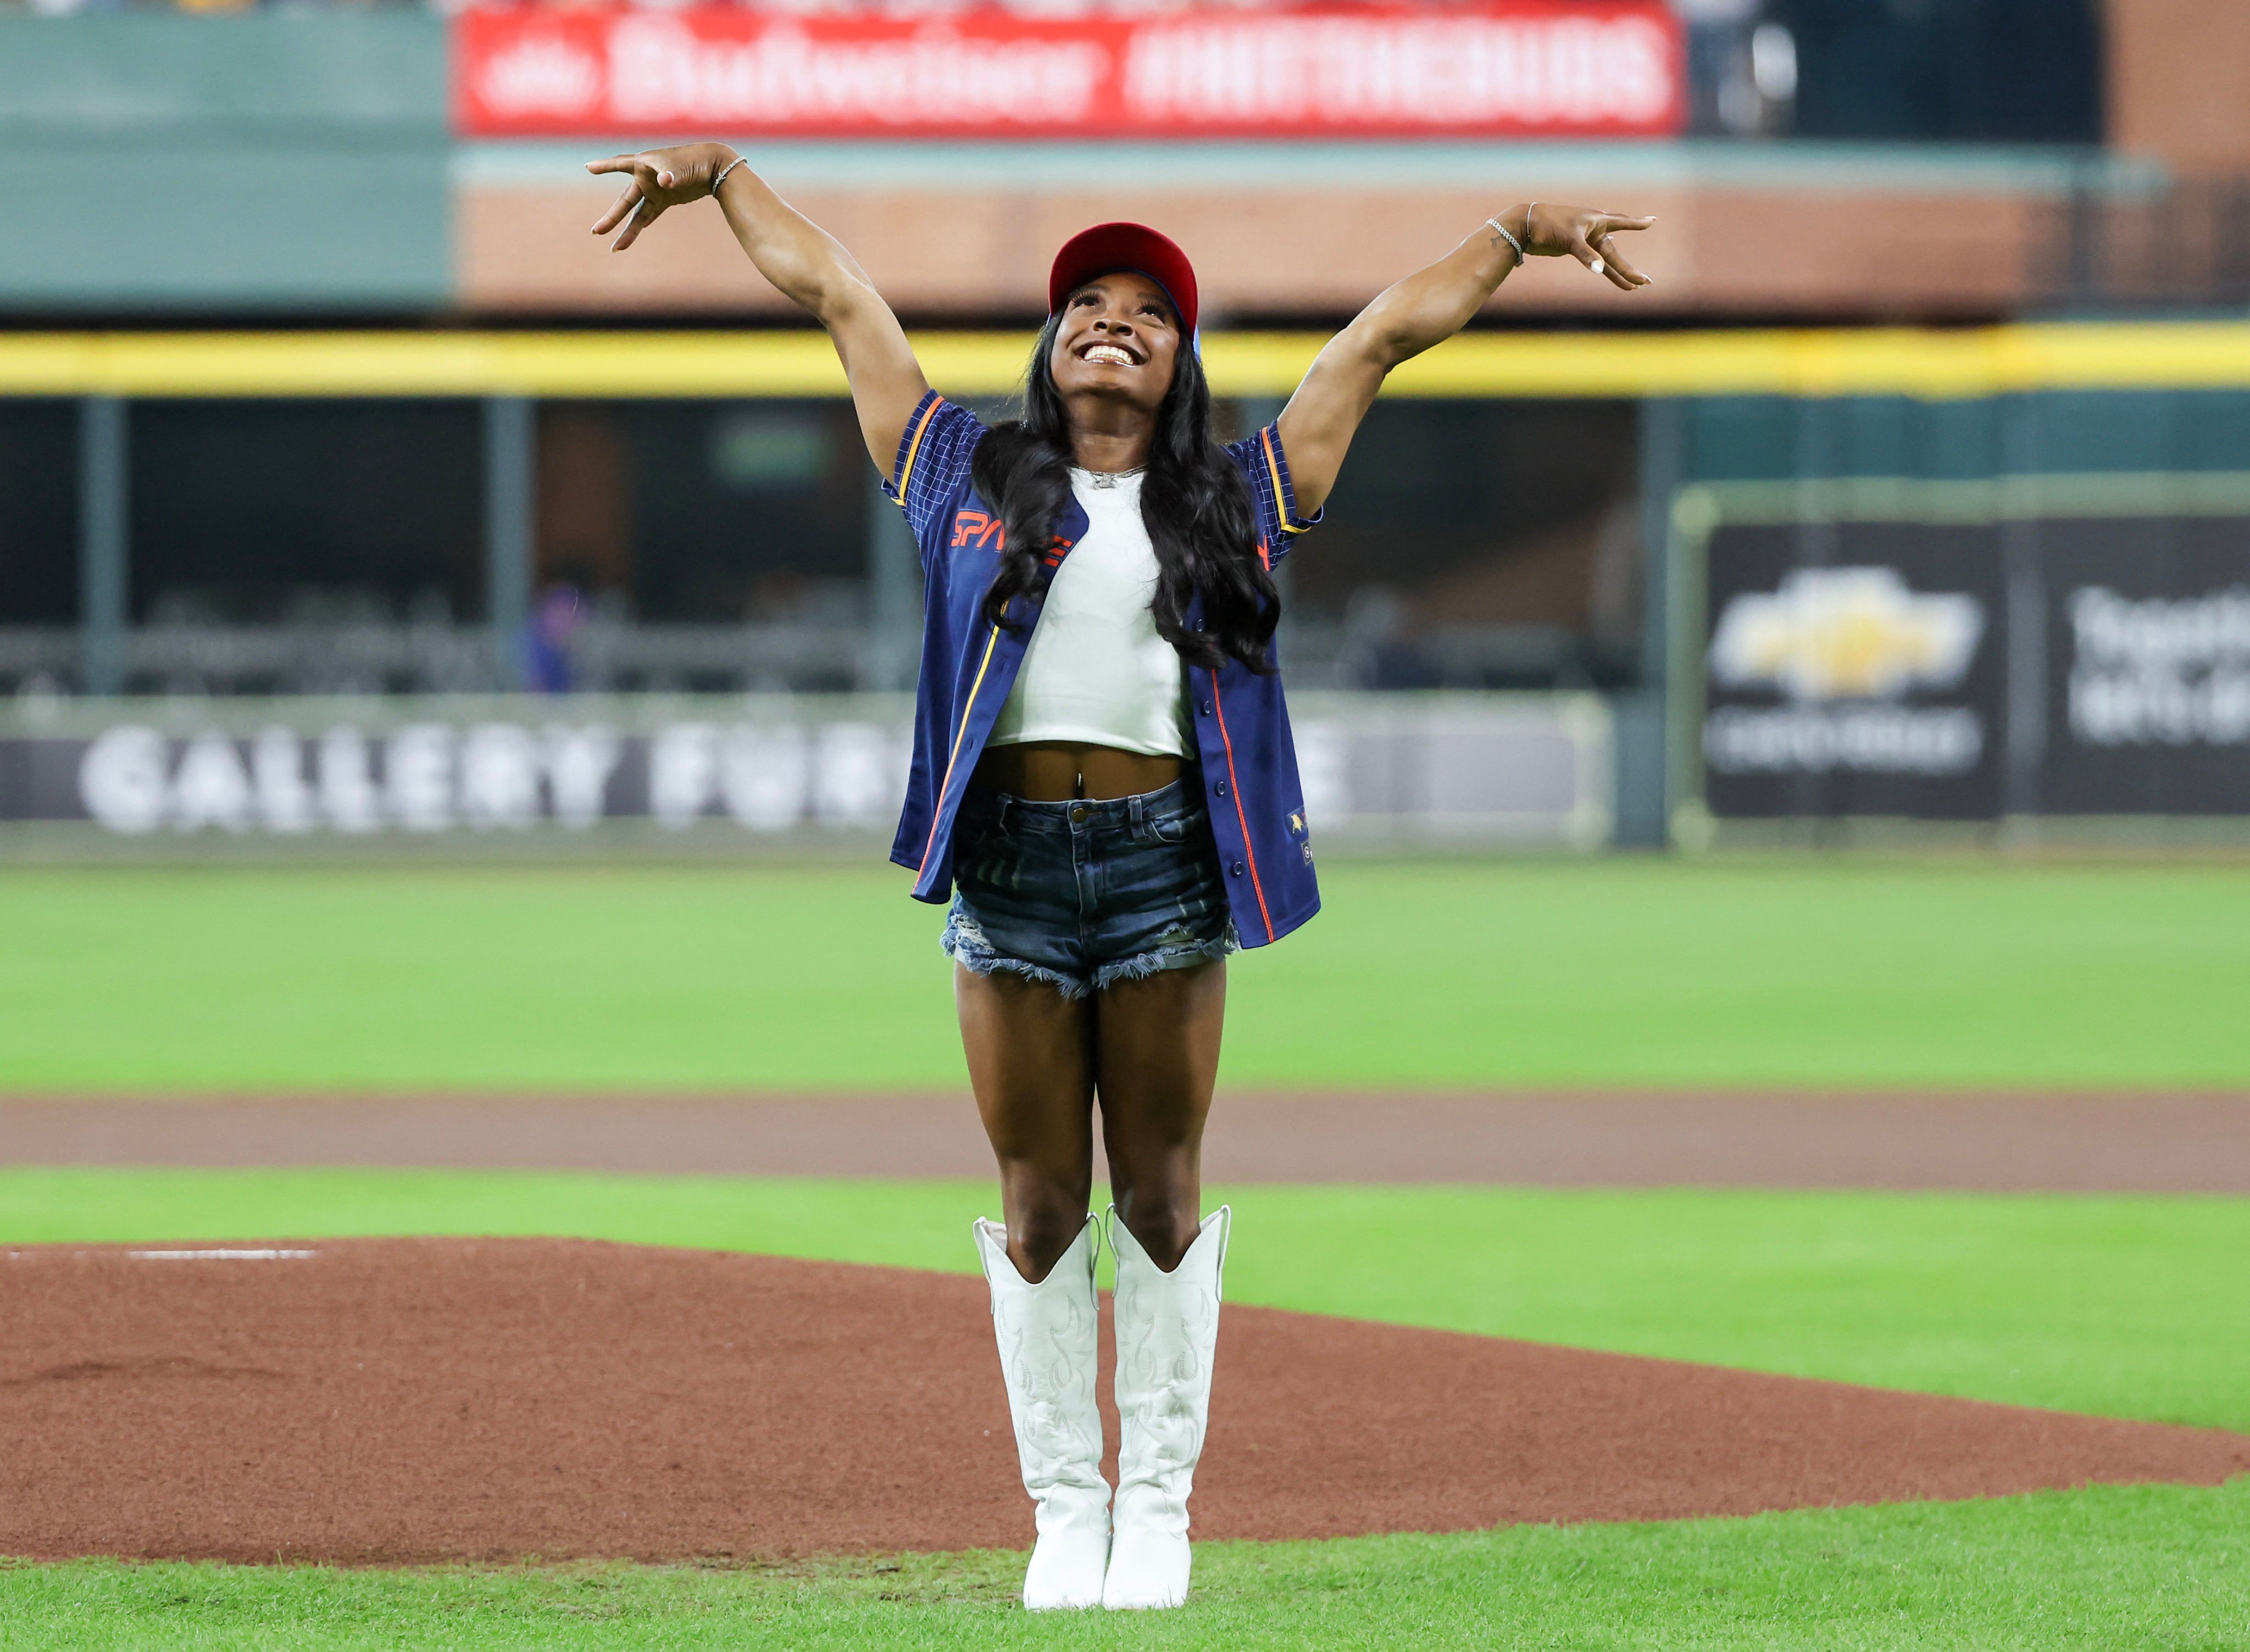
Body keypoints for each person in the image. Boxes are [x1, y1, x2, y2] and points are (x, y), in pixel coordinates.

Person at [587, 144, 1652, 1610]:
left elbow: (1381, 338)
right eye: (1088, 299)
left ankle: (1158, 1511)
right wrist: (720, 178)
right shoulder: (958, 468)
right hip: (1011, 878)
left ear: (1180, 363)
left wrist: (1515, 233)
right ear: (1049, 341)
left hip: (1164, 872)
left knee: (1157, 1196)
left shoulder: (1239, 493)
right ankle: (1061, 1514)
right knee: (1035, 1209)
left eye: (1149, 312)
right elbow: (834, 290)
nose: (1114, 319)